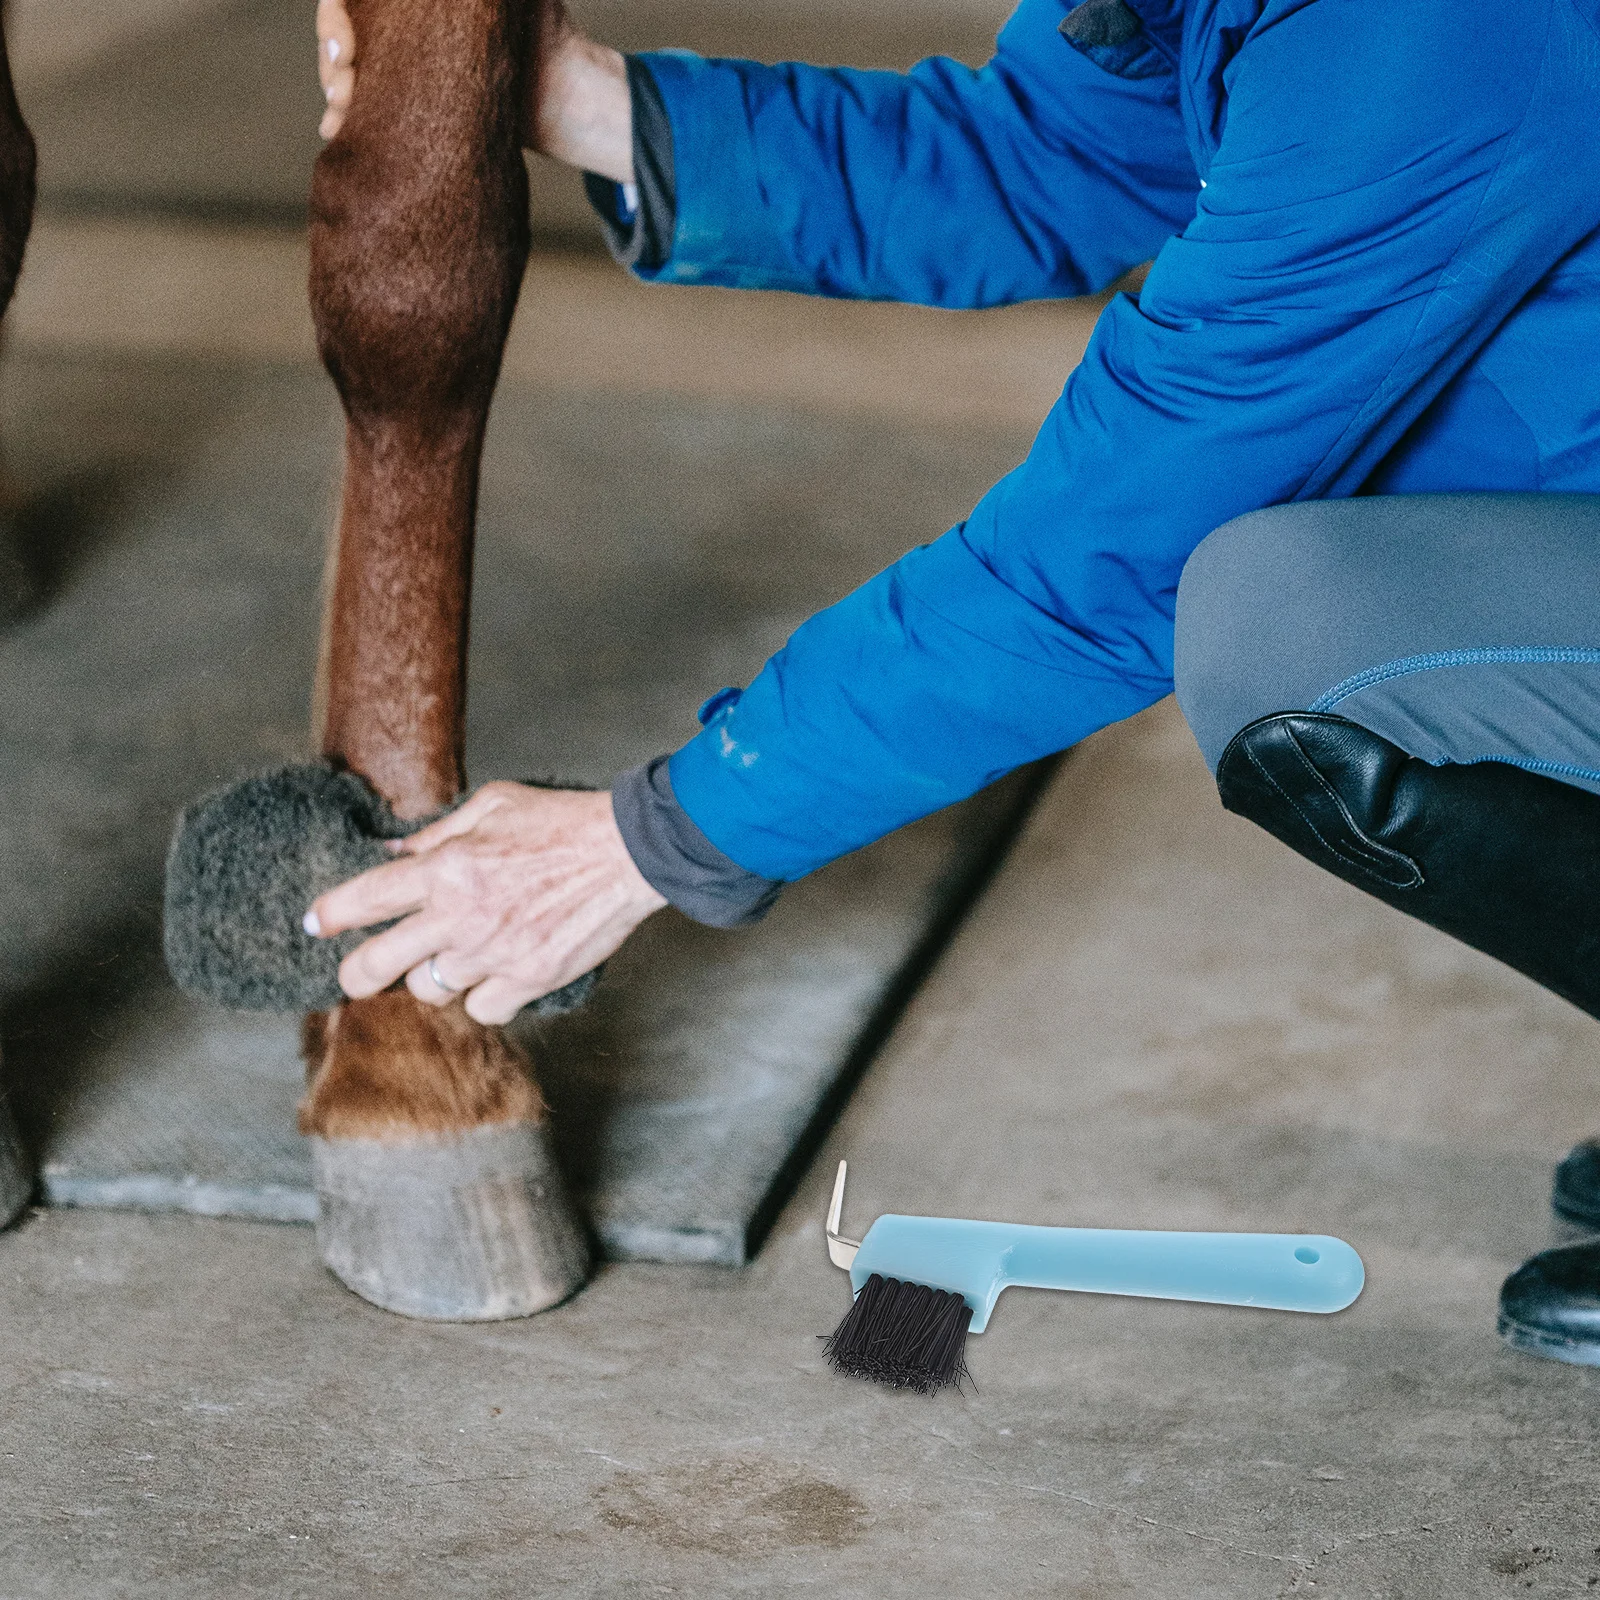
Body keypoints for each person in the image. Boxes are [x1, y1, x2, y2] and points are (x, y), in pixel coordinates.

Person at [307, 0, 1600, 1363]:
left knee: (1287, 633)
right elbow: (1043, 158)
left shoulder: (1435, 33)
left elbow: (1106, 555)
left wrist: (652, 838)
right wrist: (597, 108)